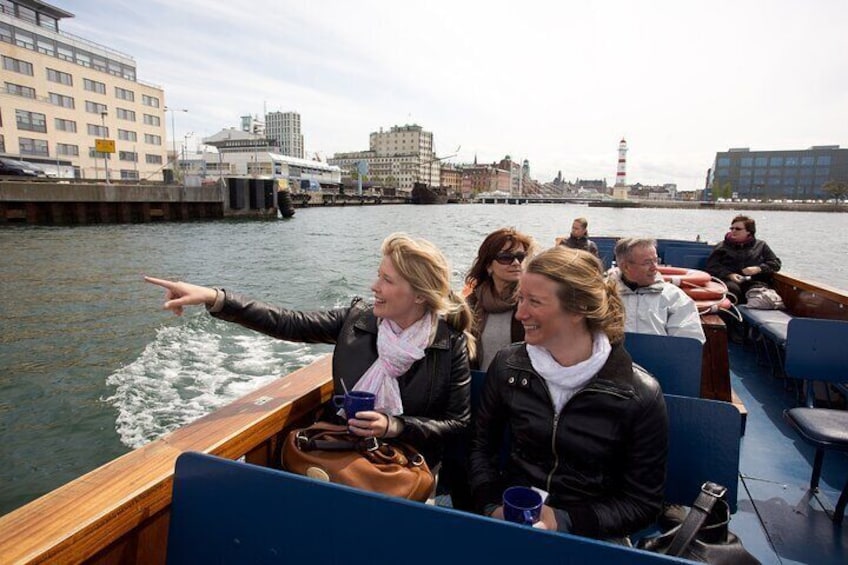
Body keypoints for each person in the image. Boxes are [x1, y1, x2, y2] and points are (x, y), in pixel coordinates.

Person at [144, 232, 474, 469]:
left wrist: (395, 427)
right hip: (339, 455)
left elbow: (457, 425)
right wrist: (215, 297)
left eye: (387, 280)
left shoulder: (450, 345)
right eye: (378, 276)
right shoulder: (356, 322)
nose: (374, 287)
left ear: (419, 295)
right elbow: (288, 322)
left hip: (406, 467)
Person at [469, 246, 668, 541]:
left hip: (591, 533)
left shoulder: (637, 394)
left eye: (534, 302)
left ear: (578, 310)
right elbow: (480, 448)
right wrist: (490, 505)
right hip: (510, 517)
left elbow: (642, 503)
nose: (520, 313)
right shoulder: (508, 366)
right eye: (520, 297)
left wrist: (565, 521)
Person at [464, 227, 537, 371]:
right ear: (488, 266)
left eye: (520, 257)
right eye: (505, 258)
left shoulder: (535, 303)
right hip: (479, 386)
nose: (516, 263)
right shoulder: (470, 305)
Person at [608, 237, 706, 344]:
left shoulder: (674, 297)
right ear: (626, 267)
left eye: (655, 261)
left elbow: (689, 342)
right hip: (613, 359)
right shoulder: (603, 295)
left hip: (661, 359)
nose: (654, 268)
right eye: (647, 263)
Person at [705, 215, 782, 304]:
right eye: (732, 228)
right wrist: (729, 275)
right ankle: (730, 316)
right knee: (732, 291)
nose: (733, 231)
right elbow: (711, 266)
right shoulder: (721, 246)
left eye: (738, 229)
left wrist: (758, 269)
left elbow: (775, 264)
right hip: (729, 281)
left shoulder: (761, 246)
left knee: (757, 293)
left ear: (749, 232)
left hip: (754, 281)